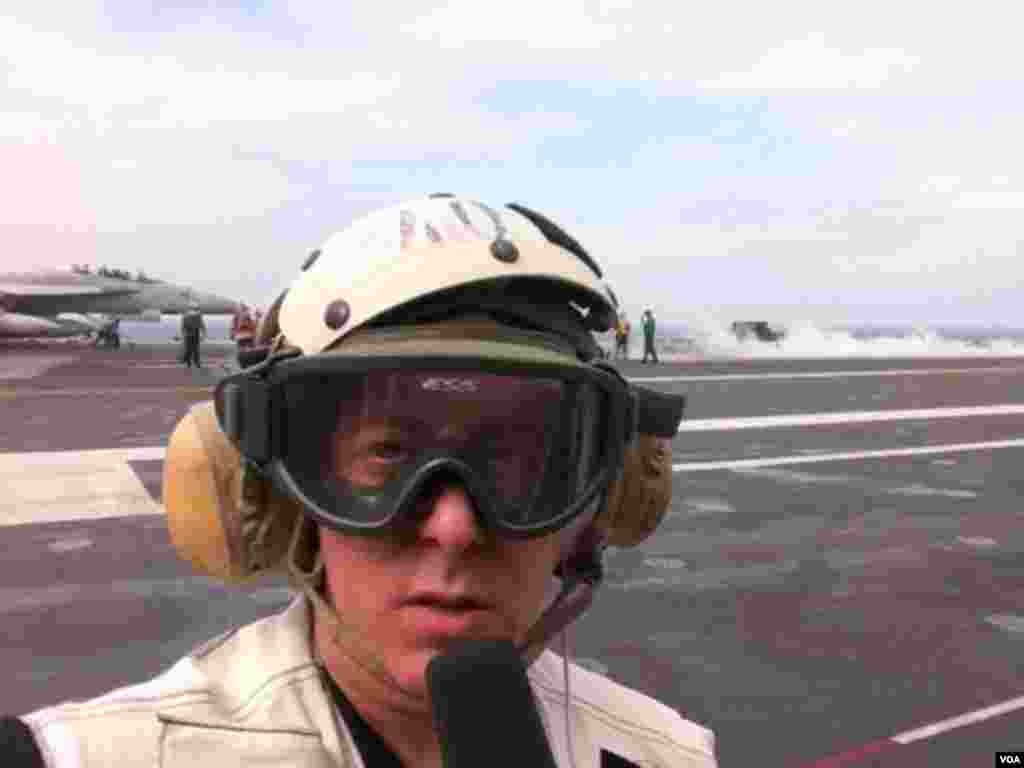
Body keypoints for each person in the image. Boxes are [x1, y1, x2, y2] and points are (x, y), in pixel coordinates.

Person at [5, 196, 716, 767]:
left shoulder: (666, 756)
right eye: (386, 456)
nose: (453, 528)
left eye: (513, 460)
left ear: (602, 496)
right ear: (275, 496)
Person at [180, 302, 207, 368]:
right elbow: (183, 326)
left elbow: (202, 325)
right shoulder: (187, 316)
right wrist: (204, 333)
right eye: (195, 309)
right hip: (190, 333)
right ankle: (190, 361)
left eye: (195, 309)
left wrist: (203, 334)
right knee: (191, 349)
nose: (195, 310)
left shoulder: (196, 316)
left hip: (194, 333)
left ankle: (193, 361)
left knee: (194, 349)